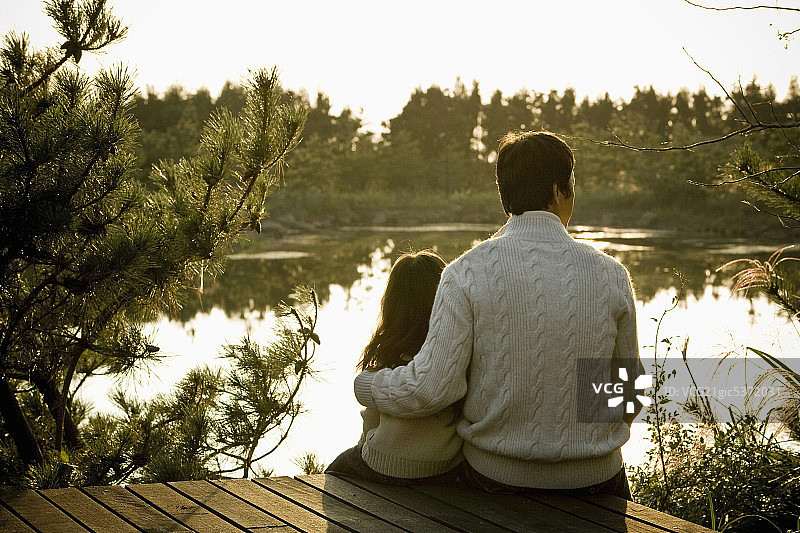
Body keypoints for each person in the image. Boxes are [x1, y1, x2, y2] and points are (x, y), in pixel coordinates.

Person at [353, 131, 643, 499]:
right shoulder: (611, 274)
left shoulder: (465, 272)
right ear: (559, 190)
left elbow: (430, 389)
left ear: (505, 193)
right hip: (596, 481)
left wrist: (367, 386)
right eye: (572, 182)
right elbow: (628, 395)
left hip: (495, 481)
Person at [325, 250, 463, 485]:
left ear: (392, 302)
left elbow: (371, 419)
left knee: (335, 470)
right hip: (446, 465)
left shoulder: (389, 350)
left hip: (387, 463)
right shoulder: (454, 350)